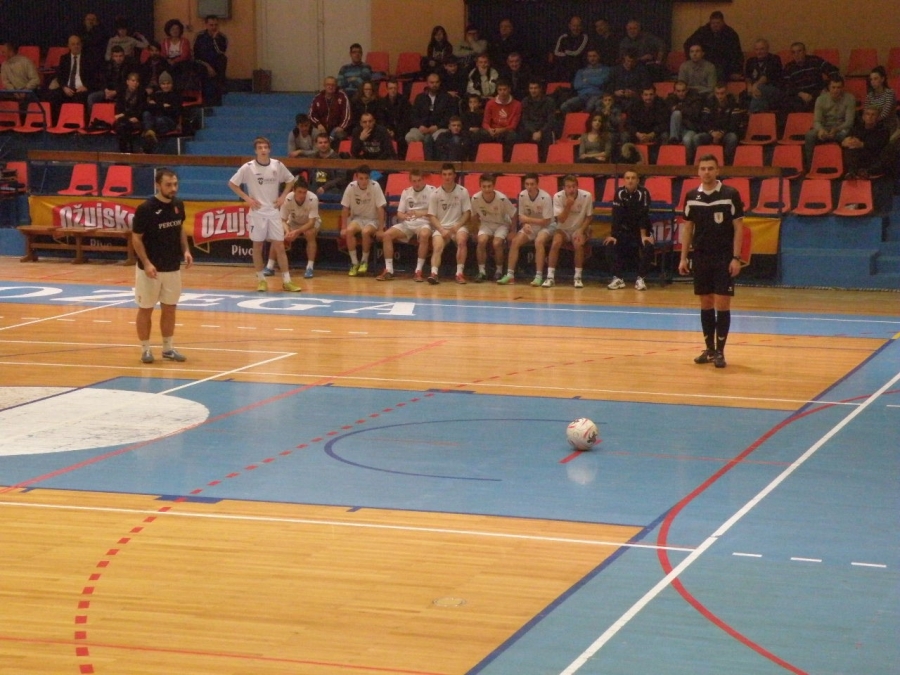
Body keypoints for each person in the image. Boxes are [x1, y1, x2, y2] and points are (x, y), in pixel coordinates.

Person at [678, 155, 745, 369]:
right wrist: (683, 257)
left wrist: (736, 258)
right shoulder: (691, 196)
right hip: (701, 256)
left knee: (722, 303)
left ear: (717, 171)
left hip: (724, 257)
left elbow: (739, 228)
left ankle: (720, 352)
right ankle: (709, 349)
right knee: (705, 302)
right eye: (703, 168)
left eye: (710, 168)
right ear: (698, 172)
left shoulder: (730, 194)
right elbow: (688, 228)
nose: (706, 172)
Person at [132, 168, 192, 364]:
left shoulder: (178, 205)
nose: (173, 188)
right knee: (146, 309)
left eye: (175, 184)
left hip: (172, 266)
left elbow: (180, 228)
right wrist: (147, 263)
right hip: (150, 270)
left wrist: (186, 250)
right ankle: (145, 349)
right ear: (158, 185)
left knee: (170, 308)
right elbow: (136, 238)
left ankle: (168, 348)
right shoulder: (146, 208)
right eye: (168, 185)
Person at [228, 137, 301, 293]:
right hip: (257, 213)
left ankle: (287, 281)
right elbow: (232, 183)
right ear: (255, 150)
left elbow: (290, 180)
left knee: (279, 246)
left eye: (265, 147)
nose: (263, 150)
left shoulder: (277, 165)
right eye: (260, 147)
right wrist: (247, 199)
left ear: (269, 149)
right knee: (258, 246)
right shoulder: (248, 167)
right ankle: (261, 280)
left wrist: (283, 197)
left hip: (273, 212)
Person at [375, 170, 436, 281]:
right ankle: (389, 270)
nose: (417, 183)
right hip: (408, 223)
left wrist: (421, 213)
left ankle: (418, 271)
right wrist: (403, 216)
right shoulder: (406, 192)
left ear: (423, 179)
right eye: (414, 181)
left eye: (419, 180)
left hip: (424, 222)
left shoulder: (432, 190)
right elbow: (399, 213)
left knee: (424, 234)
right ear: (410, 181)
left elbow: (436, 211)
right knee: (387, 235)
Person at [497, 173, 555, 286]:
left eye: (532, 184)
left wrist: (528, 220)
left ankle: (538, 276)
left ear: (537, 184)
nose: (529, 187)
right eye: (527, 184)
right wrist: (524, 224)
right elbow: (521, 216)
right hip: (531, 226)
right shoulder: (522, 195)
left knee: (539, 241)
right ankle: (510, 275)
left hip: (547, 226)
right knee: (515, 241)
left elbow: (546, 221)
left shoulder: (546, 197)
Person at [605, 169, 654, 291]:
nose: (630, 180)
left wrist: (643, 236)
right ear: (624, 180)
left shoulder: (644, 193)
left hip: (641, 230)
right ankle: (618, 278)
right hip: (624, 231)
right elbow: (616, 215)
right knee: (610, 244)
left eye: (633, 178)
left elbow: (644, 215)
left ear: (638, 180)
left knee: (648, 246)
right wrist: (613, 235)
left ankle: (640, 279)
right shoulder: (619, 193)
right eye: (627, 178)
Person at [264, 175, 320, 280]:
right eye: (299, 192)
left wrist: (297, 232)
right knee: (277, 233)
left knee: (310, 233)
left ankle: (310, 267)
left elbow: (312, 222)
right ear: (294, 191)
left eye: (304, 192)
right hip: (293, 222)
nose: (302, 195)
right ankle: (269, 266)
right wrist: (287, 231)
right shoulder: (288, 198)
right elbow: (282, 220)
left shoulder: (313, 199)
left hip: (309, 223)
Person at [426, 164, 472, 284]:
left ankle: (459, 273)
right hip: (442, 227)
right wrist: (441, 230)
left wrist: (457, 225)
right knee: (437, 246)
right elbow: (432, 216)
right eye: (445, 174)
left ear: (454, 175)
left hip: (458, 226)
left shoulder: (463, 191)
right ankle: (434, 273)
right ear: (441, 176)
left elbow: (467, 213)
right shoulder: (435, 194)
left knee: (461, 241)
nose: (447, 177)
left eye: (450, 174)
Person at [546, 175, 594, 288]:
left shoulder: (587, 196)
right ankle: (550, 277)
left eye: (574, 186)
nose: (571, 189)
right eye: (568, 187)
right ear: (564, 188)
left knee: (578, 244)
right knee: (555, 242)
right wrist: (568, 205)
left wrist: (581, 230)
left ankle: (577, 277)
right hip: (563, 229)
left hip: (579, 228)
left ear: (577, 186)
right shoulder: (558, 197)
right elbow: (561, 219)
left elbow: (589, 217)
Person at [341, 165, 387, 276]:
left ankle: (364, 261)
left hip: (373, 220)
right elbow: (345, 208)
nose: (364, 181)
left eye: (366, 178)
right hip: (357, 218)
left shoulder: (375, 186)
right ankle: (354, 263)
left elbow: (380, 208)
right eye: (361, 178)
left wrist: (381, 229)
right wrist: (343, 227)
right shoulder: (351, 187)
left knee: (365, 232)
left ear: (369, 177)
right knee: (349, 231)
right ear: (356, 177)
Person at [470, 173, 517, 282]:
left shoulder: (502, 198)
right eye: (484, 186)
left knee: (497, 243)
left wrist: (513, 231)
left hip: (501, 223)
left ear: (493, 186)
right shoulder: (475, 198)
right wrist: (475, 231)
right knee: (481, 241)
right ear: (480, 186)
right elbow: (474, 216)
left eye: (489, 186)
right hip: (486, 223)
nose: (487, 189)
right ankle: (482, 271)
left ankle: (499, 271)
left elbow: (514, 214)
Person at [804, 75, 856, 168]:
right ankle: (810, 166)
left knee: (846, 136)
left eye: (839, 87)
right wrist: (821, 130)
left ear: (842, 88)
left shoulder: (850, 98)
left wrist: (837, 129)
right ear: (829, 87)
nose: (836, 90)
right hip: (825, 127)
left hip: (841, 128)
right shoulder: (821, 99)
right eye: (833, 87)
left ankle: (846, 168)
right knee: (810, 135)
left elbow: (849, 122)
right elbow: (817, 121)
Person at [405, 72, 455, 160]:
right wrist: (420, 126)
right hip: (422, 128)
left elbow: (449, 116)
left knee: (440, 138)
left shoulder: (447, 98)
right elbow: (413, 115)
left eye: (436, 82)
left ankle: (436, 162)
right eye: (432, 82)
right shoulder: (420, 98)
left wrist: (437, 126)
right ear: (427, 83)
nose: (434, 85)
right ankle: (417, 161)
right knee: (409, 136)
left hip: (439, 128)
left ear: (439, 83)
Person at [682, 11, 743, 81]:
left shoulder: (731, 34)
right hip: (704, 64)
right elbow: (688, 44)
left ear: (723, 23)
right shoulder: (702, 32)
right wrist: (692, 60)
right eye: (713, 23)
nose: (715, 25)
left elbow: (736, 54)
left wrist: (736, 71)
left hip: (724, 67)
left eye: (718, 23)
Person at [695, 83, 746, 164]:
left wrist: (721, 133)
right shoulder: (709, 104)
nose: (720, 96)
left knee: (732, 138)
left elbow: (734, 124)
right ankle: (702, 162)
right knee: (697, 138)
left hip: (726, 133)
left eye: (722, 93)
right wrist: (712, 132)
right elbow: (704, 122)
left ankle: (727, 164)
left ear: (726, 93)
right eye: (717, 93)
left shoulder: (733, 104)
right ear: (714, 93)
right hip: (712, 133)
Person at [781, 42, 838, 114]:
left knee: (828, 97)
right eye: (793, 52)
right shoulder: (789, 67)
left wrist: (827, 87)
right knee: (786, 102)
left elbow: (833, 71)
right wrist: (800, 93)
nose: (796, 54)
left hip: (818, 92)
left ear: (805, 51)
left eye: (799, 51)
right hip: (800, 95)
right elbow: (786, 85)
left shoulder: (815, 60)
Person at [476, 78, 521, 161]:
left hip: (505, 131)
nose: (502, 92)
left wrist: (500, 130)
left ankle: (506, 163)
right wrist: (489, 129)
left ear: (509, 90)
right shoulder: (490, 103)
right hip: (492, 130)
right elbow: (485, 122)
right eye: (500, 90)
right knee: (479, 134)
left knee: (512, 136)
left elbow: (513, 126)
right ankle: (481, 161)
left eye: (504, 89)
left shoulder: (517, 104)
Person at [842, 106, 891, 179]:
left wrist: (861, 144)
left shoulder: (883, 130)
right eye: (867, 114)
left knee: (886, 154)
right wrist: (845, 142)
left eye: (873, 115)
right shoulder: (857, 128)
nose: (870, 117)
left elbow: (878, 145)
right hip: (858, 154)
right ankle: (851, 172)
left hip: (875, 155)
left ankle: (867, 172)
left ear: (878, 118)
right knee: (849, 150)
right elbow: (846, 140)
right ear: (863, 117)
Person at [54, 35, 99, 113]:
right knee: (54, 96)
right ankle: (58, 120)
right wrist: (64, 87)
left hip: (81, 89)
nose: (76, 46)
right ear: (68, 46)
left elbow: (95, 76)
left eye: (78, 44)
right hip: (67, 88)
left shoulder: (89, 58)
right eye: (73, 44)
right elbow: (60, 76)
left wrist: (86, 87)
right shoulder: (64, 58)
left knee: (79, 99)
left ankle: (77, 119)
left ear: (81, 45)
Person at [560, 49, 610, 114]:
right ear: (587, 58)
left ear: (598, 57)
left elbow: (601, 82)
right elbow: (577, 86)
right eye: (590, 56)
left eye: (594, 56)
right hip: (582, 96)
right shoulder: (581, 71)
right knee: (564, 106)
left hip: (597, 95)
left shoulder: (605, 69)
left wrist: (587, 80)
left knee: (590, 107)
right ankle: (575, 120)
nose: (592, 58)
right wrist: (594, 81)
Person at [142, 71, 182, 152]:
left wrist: (156, 105)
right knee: (146, 114)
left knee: (159, 120)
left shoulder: (176, 95)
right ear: (160, 85)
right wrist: (162, 106)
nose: (166, 86)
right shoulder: (156, 94)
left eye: (168, 83)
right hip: (156, 118)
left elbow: (173, 111)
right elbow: (147, 107)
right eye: (163, 84)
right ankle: (150, 133)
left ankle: (151, 136)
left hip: (170, 121)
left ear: (171, 84)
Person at [87, 45, 133, 114]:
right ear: (112, 57)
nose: (118, 58)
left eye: (120, 56)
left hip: (121, 92)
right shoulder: (106, 65)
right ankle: (93, 118)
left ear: (124, 56)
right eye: (116, 56)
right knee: (91, 97)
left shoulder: (129, 67)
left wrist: (116, 92)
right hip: (107, 91)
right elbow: (102, 80)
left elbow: (127, 84)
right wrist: (105, 90)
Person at [194, 15, 228, 106]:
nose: (213, 27)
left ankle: (219, 93)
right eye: (211, 25)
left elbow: (221, 52)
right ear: (206, 25)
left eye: (216, 25)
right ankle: (203, 100)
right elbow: (196, 55)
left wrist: (215, 39)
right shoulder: (199, 36)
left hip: (216, 63)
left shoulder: (222, 37)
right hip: (203, 63)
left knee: (223, 59)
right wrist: (207, 66)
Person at [518, 80, 556, 161]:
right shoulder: (525, 101)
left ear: (540, 89)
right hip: (531, 129)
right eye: (531, 88)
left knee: (547, 135)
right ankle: (525, 161)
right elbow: (525, 120)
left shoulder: (549, 101)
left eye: (535, 88)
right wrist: (533, 131)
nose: (533, 90)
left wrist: (540, 132)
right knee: (522, 134)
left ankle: (546, 164)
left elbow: (550, 121)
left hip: (544, 129)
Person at [744, 39, 783, 113]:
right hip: (755, 90)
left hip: (773, 89)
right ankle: (760, 115)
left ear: (767, 49)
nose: (759, 52)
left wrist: (756, 85)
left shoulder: (774, 59)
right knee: (757, 97)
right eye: (757, 49)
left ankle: (752, 114)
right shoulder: (750, 61)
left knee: (760, 88)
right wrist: (749, 86)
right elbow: (748, 77)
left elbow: (767, 76)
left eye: (762, 49)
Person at [309, 76, 352, 144]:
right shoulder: (317, 98)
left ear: (336, 86)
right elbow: (311, 115)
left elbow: (347, 116)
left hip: (337, 128)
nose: (330, 87)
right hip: (321, 127)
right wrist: (318, 124)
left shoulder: (342, 96)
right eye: (328, 84)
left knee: (341, 135)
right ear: (324, 85)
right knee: (313, 133)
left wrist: (341, 127)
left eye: (333, 85)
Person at [665, 80, 703, 155]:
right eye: (678, 91)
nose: (681, 93)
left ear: (687, 90)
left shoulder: (695, 98)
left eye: (683, 91)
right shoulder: (670, 99)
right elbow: (666, 114)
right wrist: (685, 110)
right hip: (675, 128)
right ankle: (674, 140)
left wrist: (678, 107)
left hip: (690, 128)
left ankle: (688, 161)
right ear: (674, 91)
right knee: (676, 113)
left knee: (687, 140)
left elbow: (694, 113)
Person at [114, 72, 146, 153]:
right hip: (124, 118)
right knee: (122, 124)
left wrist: (125, 114)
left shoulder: (142, 93)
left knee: (124, 125)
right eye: (133, 80)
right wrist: (125, 115)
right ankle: (127, 148)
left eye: (137, 81)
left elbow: (140, 109)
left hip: (136, 118)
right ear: (127, 82)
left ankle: (125, 149)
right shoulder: (121, 93)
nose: (135, 83)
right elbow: (119, 108)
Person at [551, 16, 589, 83]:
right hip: (563, 70)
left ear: (582, 26)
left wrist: (566, 53)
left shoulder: (585, 37)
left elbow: (578, 54)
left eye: (578, 26)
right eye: (574, 26)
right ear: (570, 26)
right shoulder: (563, 38)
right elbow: (556, 53)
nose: (576, 28)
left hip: (580, 70)